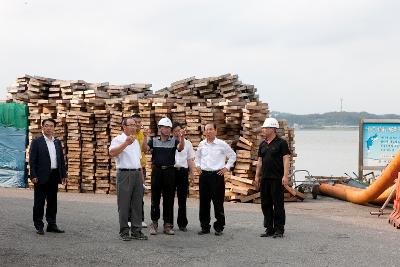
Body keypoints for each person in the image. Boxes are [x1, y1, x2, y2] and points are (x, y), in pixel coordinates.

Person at [142, 117, 185, 235]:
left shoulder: (174, 140)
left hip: (170, 172)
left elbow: (181, 148)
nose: (166, 130)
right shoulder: (153, 140)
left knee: (169, 199)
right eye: (163, 127)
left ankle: (167, 224)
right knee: (155, 198)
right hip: (157, 171)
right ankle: (154, 223)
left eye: (168, 128)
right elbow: (144, 149)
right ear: (159, 129)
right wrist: (145, 137)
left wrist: (181, 138)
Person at [109, 118, 147, 241]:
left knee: (137, 203)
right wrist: (125, 143)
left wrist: (142, 180)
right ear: (123, 127)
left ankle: (136, 230)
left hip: (137, 174)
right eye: (130, 125)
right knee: (124, 204)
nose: (133, 127)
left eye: (135, 125)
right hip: (124, 174)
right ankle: (124, 231)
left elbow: (138, 162)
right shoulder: (118, 139)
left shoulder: (136, 141)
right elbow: (112, 153)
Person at [195, 123, 236, 236]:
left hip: (217, 176)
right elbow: (197, 157)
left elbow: (232, 156)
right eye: (206, 130)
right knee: (204, 203)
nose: (208, 132)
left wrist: (226, 168)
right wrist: (197, 166)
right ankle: (205, 227)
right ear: (204, 132)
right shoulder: (202, 144)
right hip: (204, 176)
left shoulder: (222, 144)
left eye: (211, 129)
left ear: (216, 131)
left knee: (218, 203)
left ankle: (219, 227)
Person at [29, 118, 67, 235]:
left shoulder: (57, 142)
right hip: (40, 176)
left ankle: (51, 224)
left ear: (54, 128)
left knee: (52, 202)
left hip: (54, 175)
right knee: (39, 202)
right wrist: (33, 175)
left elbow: (61, 160)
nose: (49, 128)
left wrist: (63, 174)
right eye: (46, 125)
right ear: (42, 127)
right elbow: (32, 160)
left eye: (51, 126)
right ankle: (39, 225)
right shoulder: (37, 142)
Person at [254, 118, 290, 238]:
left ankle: (279, 229)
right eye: (263, 128)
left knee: (278, 204)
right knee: (266, 204)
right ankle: (269, 229)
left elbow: (286, 159)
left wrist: (285, 176)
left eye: (265, 128)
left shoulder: (281, 143)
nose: (263, 130)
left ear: (272, 129)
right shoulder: (263, 144)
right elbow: (259, 161)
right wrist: (257, 176)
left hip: (277, 178)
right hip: (265, 179)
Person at [172, 122, 195, 232]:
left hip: (182, 172)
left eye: (179, 130)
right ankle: (169, 223)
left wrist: (192, 173)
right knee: (169, 198)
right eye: (175, 131)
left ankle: (182, 223)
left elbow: (190, 159)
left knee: (182, 199)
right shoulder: (169, 142)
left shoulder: (188, 144)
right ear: (172, 132)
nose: (178, 133)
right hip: (171, 172)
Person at [131, 113, 147, 228]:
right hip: (130, 168)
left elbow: (144, 150)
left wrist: (146, 137)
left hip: (141, 168)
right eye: (135, 122)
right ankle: (129, 219)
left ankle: (140, 219)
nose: (137, 125)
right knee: (129, 195)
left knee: (139, 194)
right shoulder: (128, 135)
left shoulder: (141, 134)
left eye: (139, 122)